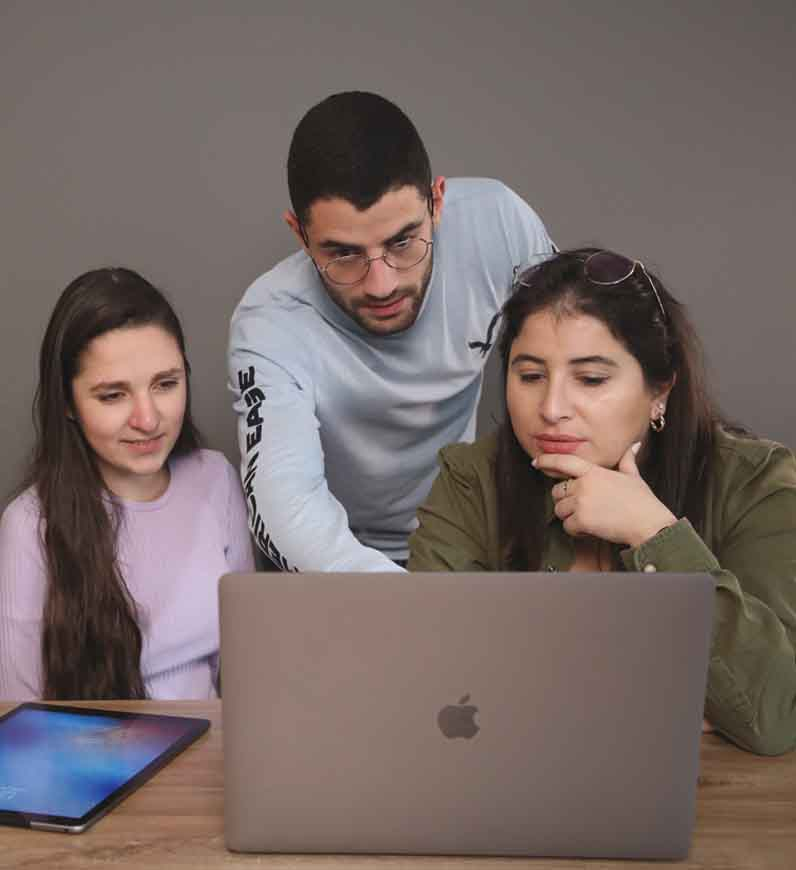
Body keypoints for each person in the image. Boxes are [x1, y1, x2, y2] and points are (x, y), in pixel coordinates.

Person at [407, 247, 796, 755]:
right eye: (529, 376)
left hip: (716, 806)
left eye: (590, 379)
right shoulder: (470, 480)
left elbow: (773, 715)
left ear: (661, 389)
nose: (551, 409)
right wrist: (656, 695)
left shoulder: (756, 484)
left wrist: (655, 535)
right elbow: (427, 683)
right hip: (500, 786)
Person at [228, 91, 554, 571]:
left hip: (477, 543)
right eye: (343, 253)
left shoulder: (499, 226)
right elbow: (284, 507)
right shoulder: (269, 321)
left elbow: (581, 349)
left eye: (403, 242)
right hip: (344, 563)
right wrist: (408, 604)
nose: (382, 285)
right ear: (299, 235)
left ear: (437, 202)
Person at [0, 268, 254, 700]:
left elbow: (250, 659)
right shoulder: (29, 523)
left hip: (218, 754)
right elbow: (17, 709)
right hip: (97, 761)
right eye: (113, 395)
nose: (148, 418)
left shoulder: (215, 478)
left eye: (166, 384)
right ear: (67, 404)